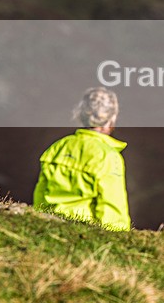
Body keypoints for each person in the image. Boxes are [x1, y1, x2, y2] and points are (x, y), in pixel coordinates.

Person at [33, 87, 131, 231]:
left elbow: (40, 194)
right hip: (84, 233)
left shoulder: (59, 147)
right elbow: (112, 208)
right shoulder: (109, 157)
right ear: (112, 118)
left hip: (50, 228)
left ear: (80, 114)